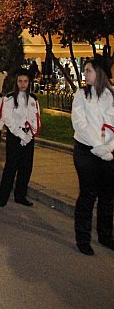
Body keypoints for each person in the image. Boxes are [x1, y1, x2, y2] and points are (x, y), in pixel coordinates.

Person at [71, 57, 114, 255]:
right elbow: (80, 123)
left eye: (89, 70)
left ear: (99, 72)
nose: (85, 74)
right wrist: (98, 146)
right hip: (86, 150)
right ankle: (83, 238)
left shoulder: (111, 95)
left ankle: (105, 235)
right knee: (88, 194)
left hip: (108, 151)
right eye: (85, 70)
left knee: (107, 195)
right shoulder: (81, 94)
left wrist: (108, 147)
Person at [0, 68, 41, 209]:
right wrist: (20, 134)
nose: (23, 84)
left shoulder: (33, 99)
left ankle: (20, 195)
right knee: (10, 168)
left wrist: (29, 135)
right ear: (16, 82)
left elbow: (35, 118)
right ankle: (2, 198)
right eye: (20, 81)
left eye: (25, 81)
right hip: (15, 136)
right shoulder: (9, 98)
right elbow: (7, 118)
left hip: (28, 136)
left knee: (26, 167)